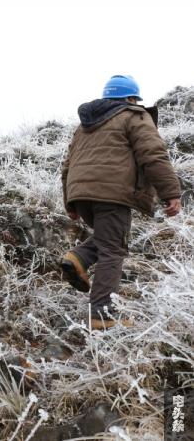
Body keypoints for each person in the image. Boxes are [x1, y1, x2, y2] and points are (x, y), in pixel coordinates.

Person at [61, 75, 181, 330]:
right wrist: (171, 192)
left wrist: (70, 202)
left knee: (110, 238)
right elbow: (153, 154)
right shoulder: (134, 116)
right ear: (131, 98)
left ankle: (78, 257)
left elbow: (67, 165)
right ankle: (102, 316)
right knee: (113, 251)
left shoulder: (84, 127)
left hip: (80, 194)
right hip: (111, 194)